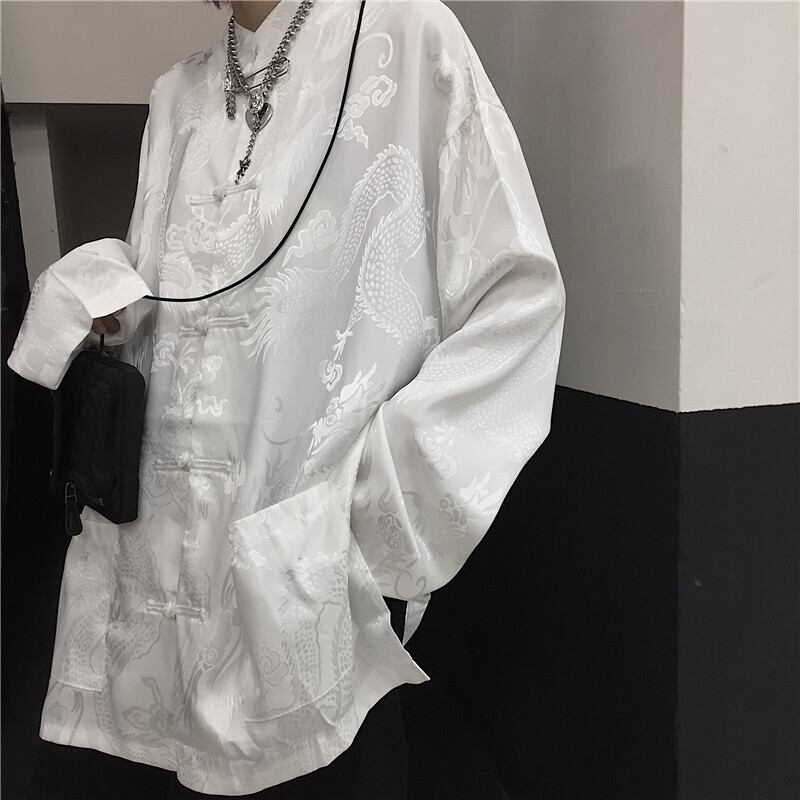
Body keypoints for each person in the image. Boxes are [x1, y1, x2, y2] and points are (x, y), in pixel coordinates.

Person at [7, 0, 567, 795]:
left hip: (307, 600)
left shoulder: (408, 38)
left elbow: (518, 299)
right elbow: (180, 300)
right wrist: (109, 292)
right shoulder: (178, 97)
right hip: (156, 600)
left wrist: (364, 527)